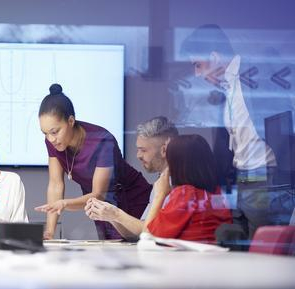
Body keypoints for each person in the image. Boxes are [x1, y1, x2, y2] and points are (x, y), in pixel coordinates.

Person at [180, 24, 294, 241]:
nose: (196, 73)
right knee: (243, 248)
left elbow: (284, 127)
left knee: (264, 251)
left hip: (266, 180)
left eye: (198, 65)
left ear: (214, 56)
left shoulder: (259, 75)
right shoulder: (226, 89)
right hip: (242, 183)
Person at [35, 83, 152, 240]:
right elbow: (56, 184)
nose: (51, 139)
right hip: (99, 205)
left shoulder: (102, 140)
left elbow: (98, 194)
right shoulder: (52, 141)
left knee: (137, 248)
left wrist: (64, 204)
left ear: (70, 121)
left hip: (130, 198)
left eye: (55, 132)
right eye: (45, 133)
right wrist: (50, 231)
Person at [85, 116, 179, 240]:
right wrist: (110, 216)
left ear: (164, 150)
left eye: (143, 150)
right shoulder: (161, 182)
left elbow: (149, 232)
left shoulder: (178, 185)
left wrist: (116, 214)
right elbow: (139, 233)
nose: (138, 155)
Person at [144, 134, 232, 241]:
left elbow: (148, 235)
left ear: (176, 165)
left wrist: (159, 195)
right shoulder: (217, 193)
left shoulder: (185, 194)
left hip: (188, 256)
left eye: (169, 162)